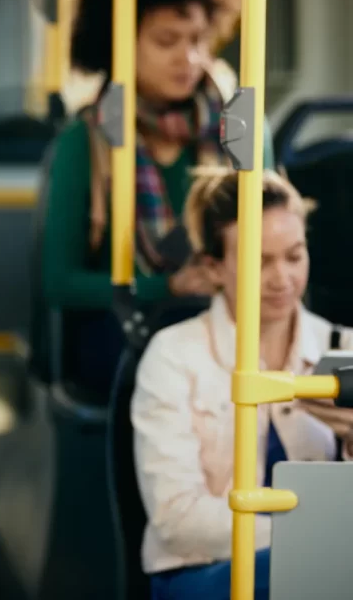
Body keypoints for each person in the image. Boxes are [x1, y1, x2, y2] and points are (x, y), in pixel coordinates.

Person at [40, 0, 275, 398]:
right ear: (118, 44)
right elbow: (59, 282)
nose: (188, 59)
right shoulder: (84, 143)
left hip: (231, 332)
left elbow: (273, 234)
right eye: (167, 40)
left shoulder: (243, 128)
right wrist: (165, 287)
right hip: (126, 345)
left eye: (197, 40)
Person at [132, 168, 353, 600]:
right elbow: (176, 520)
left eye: (294, 256)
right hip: (202, 572)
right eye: (259, 262)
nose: (282, 279)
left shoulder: (343, 347)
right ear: (214, 268)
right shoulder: (173, 356)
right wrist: (312, 539)